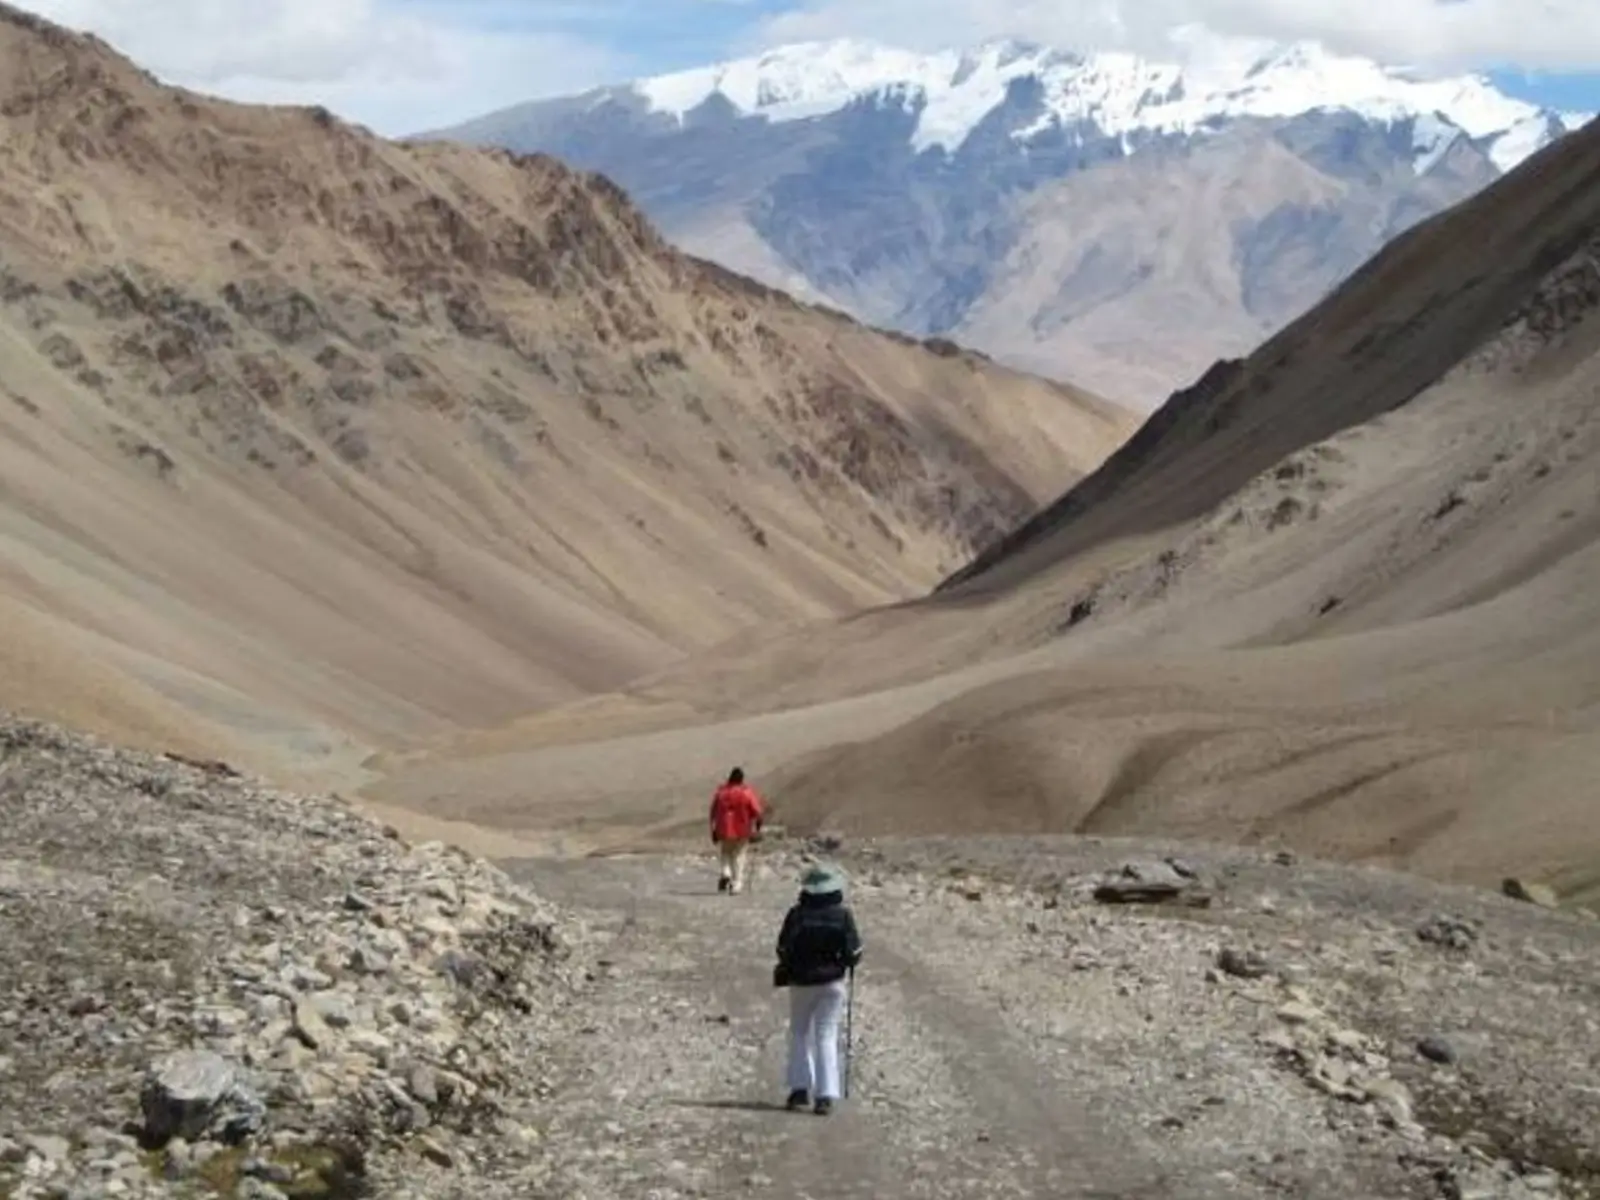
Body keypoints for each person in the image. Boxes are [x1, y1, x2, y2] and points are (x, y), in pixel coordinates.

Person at [773, 862, 863, 1116]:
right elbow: (854, 951)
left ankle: (800, 1090)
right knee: (826, 1036)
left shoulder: (797, 914)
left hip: (801, 982)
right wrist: (846, 962)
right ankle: (825, 1096)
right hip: (832, 983)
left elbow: (782, 949)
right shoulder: (842, 915)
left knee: (799, 1033)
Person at [708, 767, 764, 894]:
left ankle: (725, 873)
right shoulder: (746, 793)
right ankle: (736, 883)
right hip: (742, 830)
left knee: (726, 853)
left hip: (723, 829)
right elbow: (757, 811)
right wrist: (758, 826)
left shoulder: (721, 793)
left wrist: (713, 829)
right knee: (739, 856)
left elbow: (713, 812)